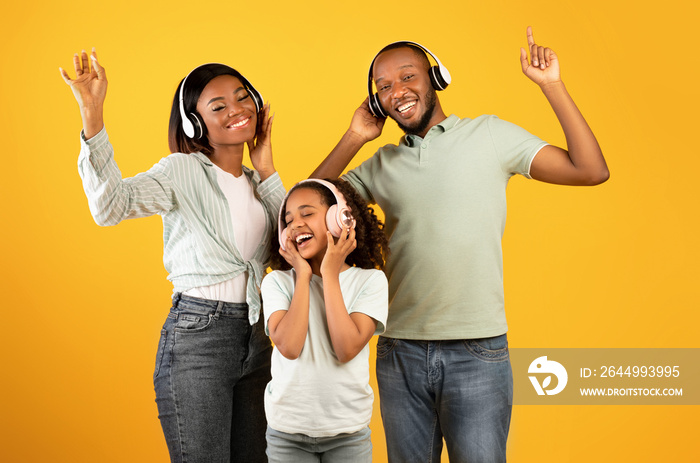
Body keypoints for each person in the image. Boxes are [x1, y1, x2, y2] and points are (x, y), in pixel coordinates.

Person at [310, 28, 609, 462]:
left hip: (478, 349)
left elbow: (590, 169)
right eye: (384, 87)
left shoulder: (489, 135)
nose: (398, 91)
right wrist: (355, 136)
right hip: (400, 350)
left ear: (435, 78)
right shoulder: (382, 164)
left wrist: (552, 86)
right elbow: (310, 209)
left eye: (408, 76)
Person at [60, 49, 285, 462]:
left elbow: (290, 249)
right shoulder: (181, 170)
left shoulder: (256, 183)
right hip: (198, 339)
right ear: (194, 122)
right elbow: (111, 206)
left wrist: (267, 168)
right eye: (218, 106)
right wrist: (92, 117)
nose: (237, 110)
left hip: (257, 337)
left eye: (242, 97)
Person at [260, 178, 389, 462]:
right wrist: (303, 276)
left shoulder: (370, 281)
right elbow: (289, 347)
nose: (295, 225)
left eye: (307, 214)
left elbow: (346, 348)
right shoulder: (277, 283)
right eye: (288, 220)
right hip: (287, 434)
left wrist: (330, 275)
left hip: (348, 434)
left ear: (338, 219)